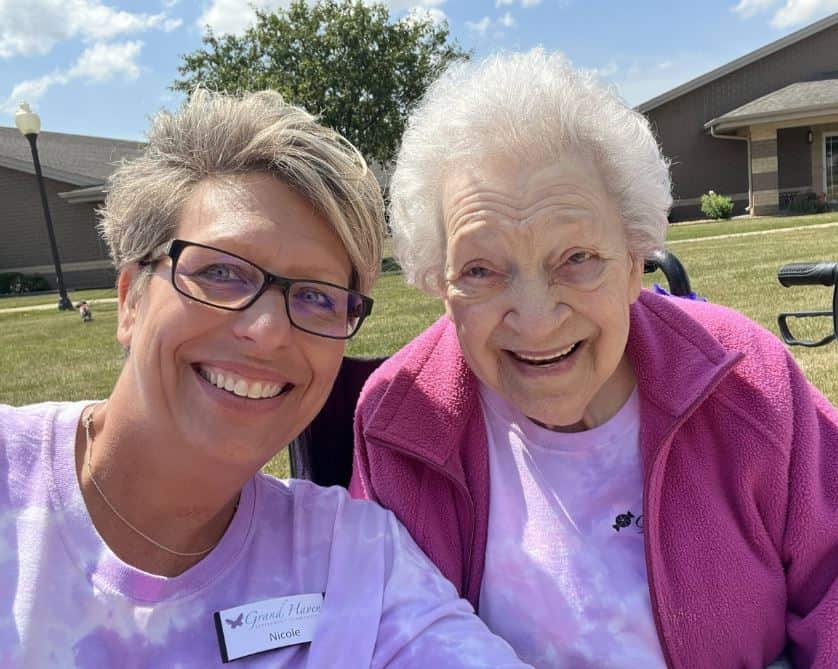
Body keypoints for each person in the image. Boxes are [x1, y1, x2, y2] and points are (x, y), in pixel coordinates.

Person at [0, 90, 532, 668]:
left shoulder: (352, 562)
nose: (268, 331)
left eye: (317, 297)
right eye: (221, 271)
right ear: (131, 301)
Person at [350, 50, 838, 668]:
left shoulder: (747, 380)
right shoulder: (400, 421)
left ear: (634, 260)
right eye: (479, 270)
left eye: (576, 258)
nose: (535, 319)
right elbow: (380, 636)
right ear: (438, 283)